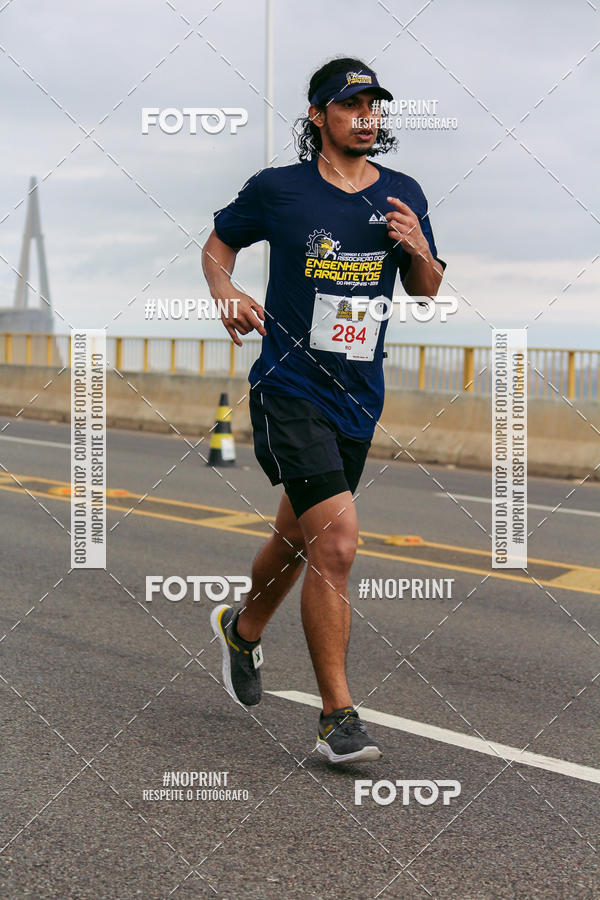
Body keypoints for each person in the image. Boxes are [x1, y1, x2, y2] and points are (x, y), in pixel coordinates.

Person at [203, 56, 446, 764]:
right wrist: (226, 292)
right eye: (351, 105)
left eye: (374, 106)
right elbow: (218, 248)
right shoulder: (279, 189)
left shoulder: (403, 193)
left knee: (297, 538)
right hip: (290, 388)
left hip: (358, 396)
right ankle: (337, 717)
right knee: (336, 545)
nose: (366, 118)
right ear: (319, 115)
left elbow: (427, 289)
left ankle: (242, 630)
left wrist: (418, 249)